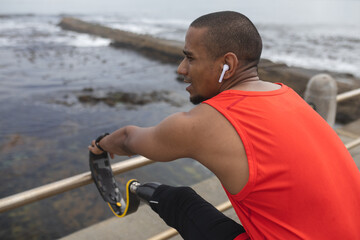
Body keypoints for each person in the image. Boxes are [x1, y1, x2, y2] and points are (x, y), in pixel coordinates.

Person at [89, 11, 360, 240]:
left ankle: (136, 190)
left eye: (190, 58)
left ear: (227, 65)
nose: (181, 68)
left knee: (180, 201)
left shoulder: (205, 124)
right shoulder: (288, 95)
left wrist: (100, 147)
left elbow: (126, 139)